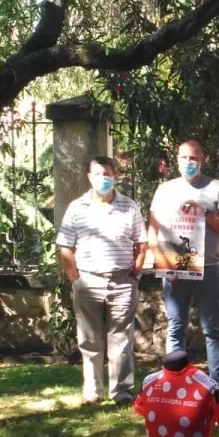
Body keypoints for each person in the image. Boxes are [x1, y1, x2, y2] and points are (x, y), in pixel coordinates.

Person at [57, 156, 147, 406]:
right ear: (89, 177)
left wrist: (135, 273)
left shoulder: (129, 206)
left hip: (122, 282)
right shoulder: (77, 207)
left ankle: (122, 391)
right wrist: (75, 278)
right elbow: (65, 247)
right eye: (97, 173)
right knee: (90, 339)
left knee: (121, 339)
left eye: (107, 173)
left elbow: (142, 243)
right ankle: (92, 391)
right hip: (88, 282)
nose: (103, 178)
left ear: (115, 176)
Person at [148, 140, 219, 386]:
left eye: (194, 159)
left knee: (212, 328)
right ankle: (174, 380)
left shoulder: (217, 188)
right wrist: (163, 263)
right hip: (174, 270)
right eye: (185, 158)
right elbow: (153, 232)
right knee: (176, 326)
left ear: (203, 160)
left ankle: (215, 382)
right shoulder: (165, 190)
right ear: (176, 159)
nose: (189, 163)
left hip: (207, 268)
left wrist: (204, 214)